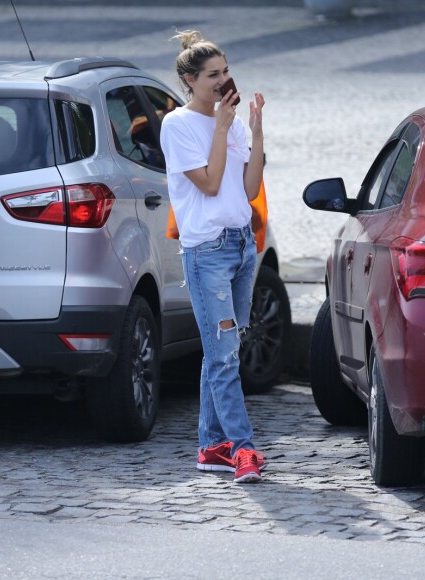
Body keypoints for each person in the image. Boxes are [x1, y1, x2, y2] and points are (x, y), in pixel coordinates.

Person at [160, 30, 266, 483]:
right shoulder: (178, 125)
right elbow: (207, 181)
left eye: (225, 71)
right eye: (212, 75)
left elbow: (248, 188)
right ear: (189, 80)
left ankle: (211, 447)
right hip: (206, 252)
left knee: (223, 349)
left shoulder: (234, 123)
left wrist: (255, 131)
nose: (223, 81)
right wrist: (221, 128)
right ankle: (243, 449)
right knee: (222, 355)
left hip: (241, 244)